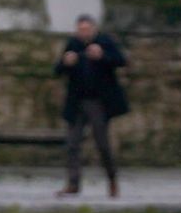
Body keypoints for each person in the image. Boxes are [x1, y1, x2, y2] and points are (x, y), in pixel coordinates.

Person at [54, 14, 128, 199]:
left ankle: (112, 180)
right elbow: (57, 70)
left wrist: (102, 55)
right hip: (77, 101)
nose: (83, 33)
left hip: (98, 102)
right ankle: (73, 183)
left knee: (102, 143)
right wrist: (65, 62)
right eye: (80, 30)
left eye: (86, 29)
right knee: (72, 143)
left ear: (94, 29)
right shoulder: (73, 44)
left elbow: (120, 61)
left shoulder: (104, 41)